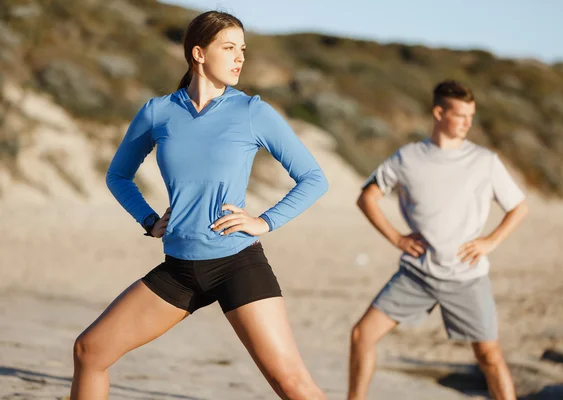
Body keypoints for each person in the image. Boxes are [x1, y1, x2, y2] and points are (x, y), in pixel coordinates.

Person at [70, 11, 328, 400]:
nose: (240, 57)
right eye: (229, 48)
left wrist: (265, 221)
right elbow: (118, 176)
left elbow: (314, 178)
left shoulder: (252, 111)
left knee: (289, 382)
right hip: (180, 269)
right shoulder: (158, 111)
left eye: (242, 49)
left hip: (237, 263)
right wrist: (148, 219)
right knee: (89, 352)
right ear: (199, 53)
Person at [348, 80, 528, 400]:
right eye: (460, 115)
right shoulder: (408, 157)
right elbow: (367, 198)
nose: (467, 123)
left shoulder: (484, 161)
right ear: (438, 112)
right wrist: (397, 239)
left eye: (471, 116)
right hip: (417, 273)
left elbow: (519, 207)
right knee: (362, 335)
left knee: (489, 356)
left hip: (466, 275)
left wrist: (490, 241)